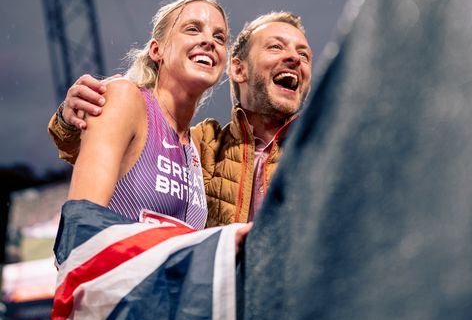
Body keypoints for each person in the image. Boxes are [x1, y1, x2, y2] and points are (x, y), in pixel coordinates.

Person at [49, 12, 313, 226]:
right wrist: (69, 118)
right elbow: (96, 151)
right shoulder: (203, 145)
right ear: (238, 69)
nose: (294, 58)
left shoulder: (324, 151)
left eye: (304, 55)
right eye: (276, 47)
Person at [66, 0, 229, 230]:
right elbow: (79, 225)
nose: (209, 41)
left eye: (219, 36)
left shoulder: (194, 146)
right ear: (156, 50)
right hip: (110, 267)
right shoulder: (125, 98)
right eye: (193, 29)